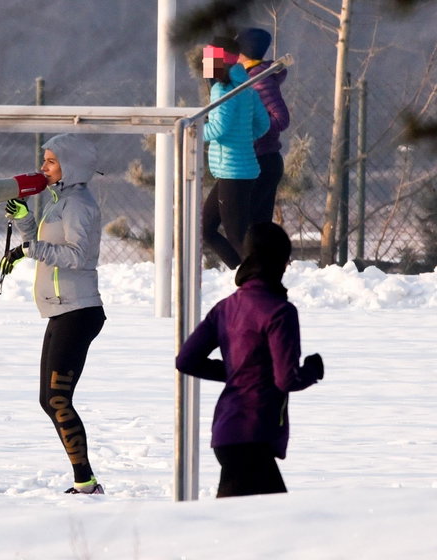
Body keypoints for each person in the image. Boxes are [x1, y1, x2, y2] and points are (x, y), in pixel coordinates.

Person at [175, 222, 324, 498]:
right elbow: (286, 378)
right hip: (254, 431)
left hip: (226, 430)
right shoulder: (280, 311)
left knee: (247, 524)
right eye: (286, 260)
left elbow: (186, 360)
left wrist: (237, 372)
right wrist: (313, 370)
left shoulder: (225, 307)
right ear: (279, 261)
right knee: (266, 525)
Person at [0, 133, 106, 495]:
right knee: (50, 399)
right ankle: (85, 481)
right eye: (44, 160)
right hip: (62, 310)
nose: (42, 167)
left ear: (70, 165)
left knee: (57, 399)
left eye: (50, 161)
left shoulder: (79, 204)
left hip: (78, 310)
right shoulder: (61, 201)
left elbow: (76, 255)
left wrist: (30, 248)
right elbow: (49, 244)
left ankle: (86, 483)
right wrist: (26, 221)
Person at [201, 37, 270, 269]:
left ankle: (257, 279)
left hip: (232, 171)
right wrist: (243, 138)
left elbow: (218, 128)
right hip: (240, 169)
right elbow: (263, 124)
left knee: (236, 236)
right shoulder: (246, 87)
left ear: (218, 63)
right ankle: (240, 274)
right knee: (207, 229)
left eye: (208, 60)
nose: (204, 65)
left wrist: (192, 131)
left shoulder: (221, 89)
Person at [236, 28, 290, 225]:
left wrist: (253, 133)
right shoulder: (247, 76)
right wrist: (211, 54)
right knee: (254, 227)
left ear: (244, 52)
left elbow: (281, 118)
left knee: (248, 226)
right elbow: (214, 88)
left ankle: (252, 256)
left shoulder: (260, 79)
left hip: (262, 160)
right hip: (258, 160)